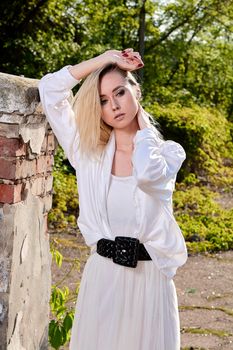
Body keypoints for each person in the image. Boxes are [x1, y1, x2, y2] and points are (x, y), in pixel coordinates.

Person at [38, 48, 187, 350]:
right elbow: (49, 89)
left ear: (136, 91)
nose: (114, 106)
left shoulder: (168, 153)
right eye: (103, 101)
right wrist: (105, 58)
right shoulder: (87, 152)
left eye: (120, 92)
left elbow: (146, 173)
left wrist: (143, 128)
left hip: (149, 284)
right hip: (103, 279)